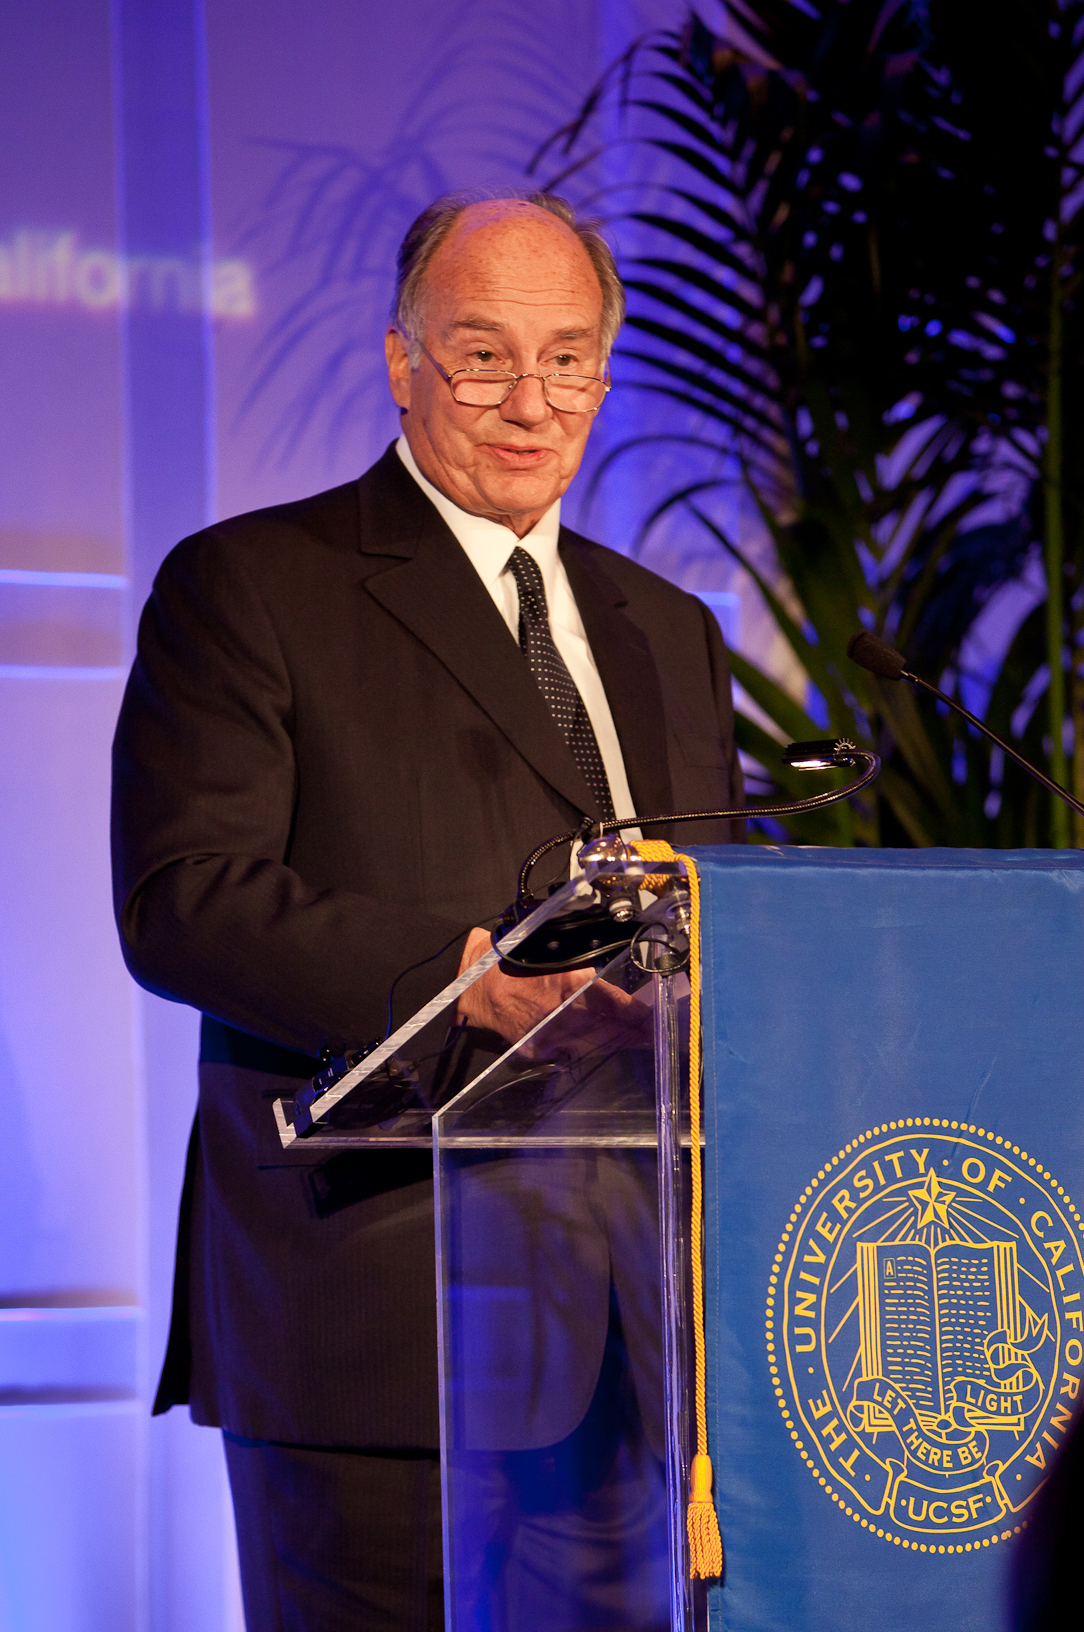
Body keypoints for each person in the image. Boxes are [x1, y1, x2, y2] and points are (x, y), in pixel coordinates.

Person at [111, 191, 742, 1630]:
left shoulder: (669, 630)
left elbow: (710, 914)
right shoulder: (255, 586)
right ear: (400, 360)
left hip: (644, 1346)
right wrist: (459, 983)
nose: (532, 403)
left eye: (569, 358)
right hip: (383, 1315)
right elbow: (181, 899)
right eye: (483, 357)